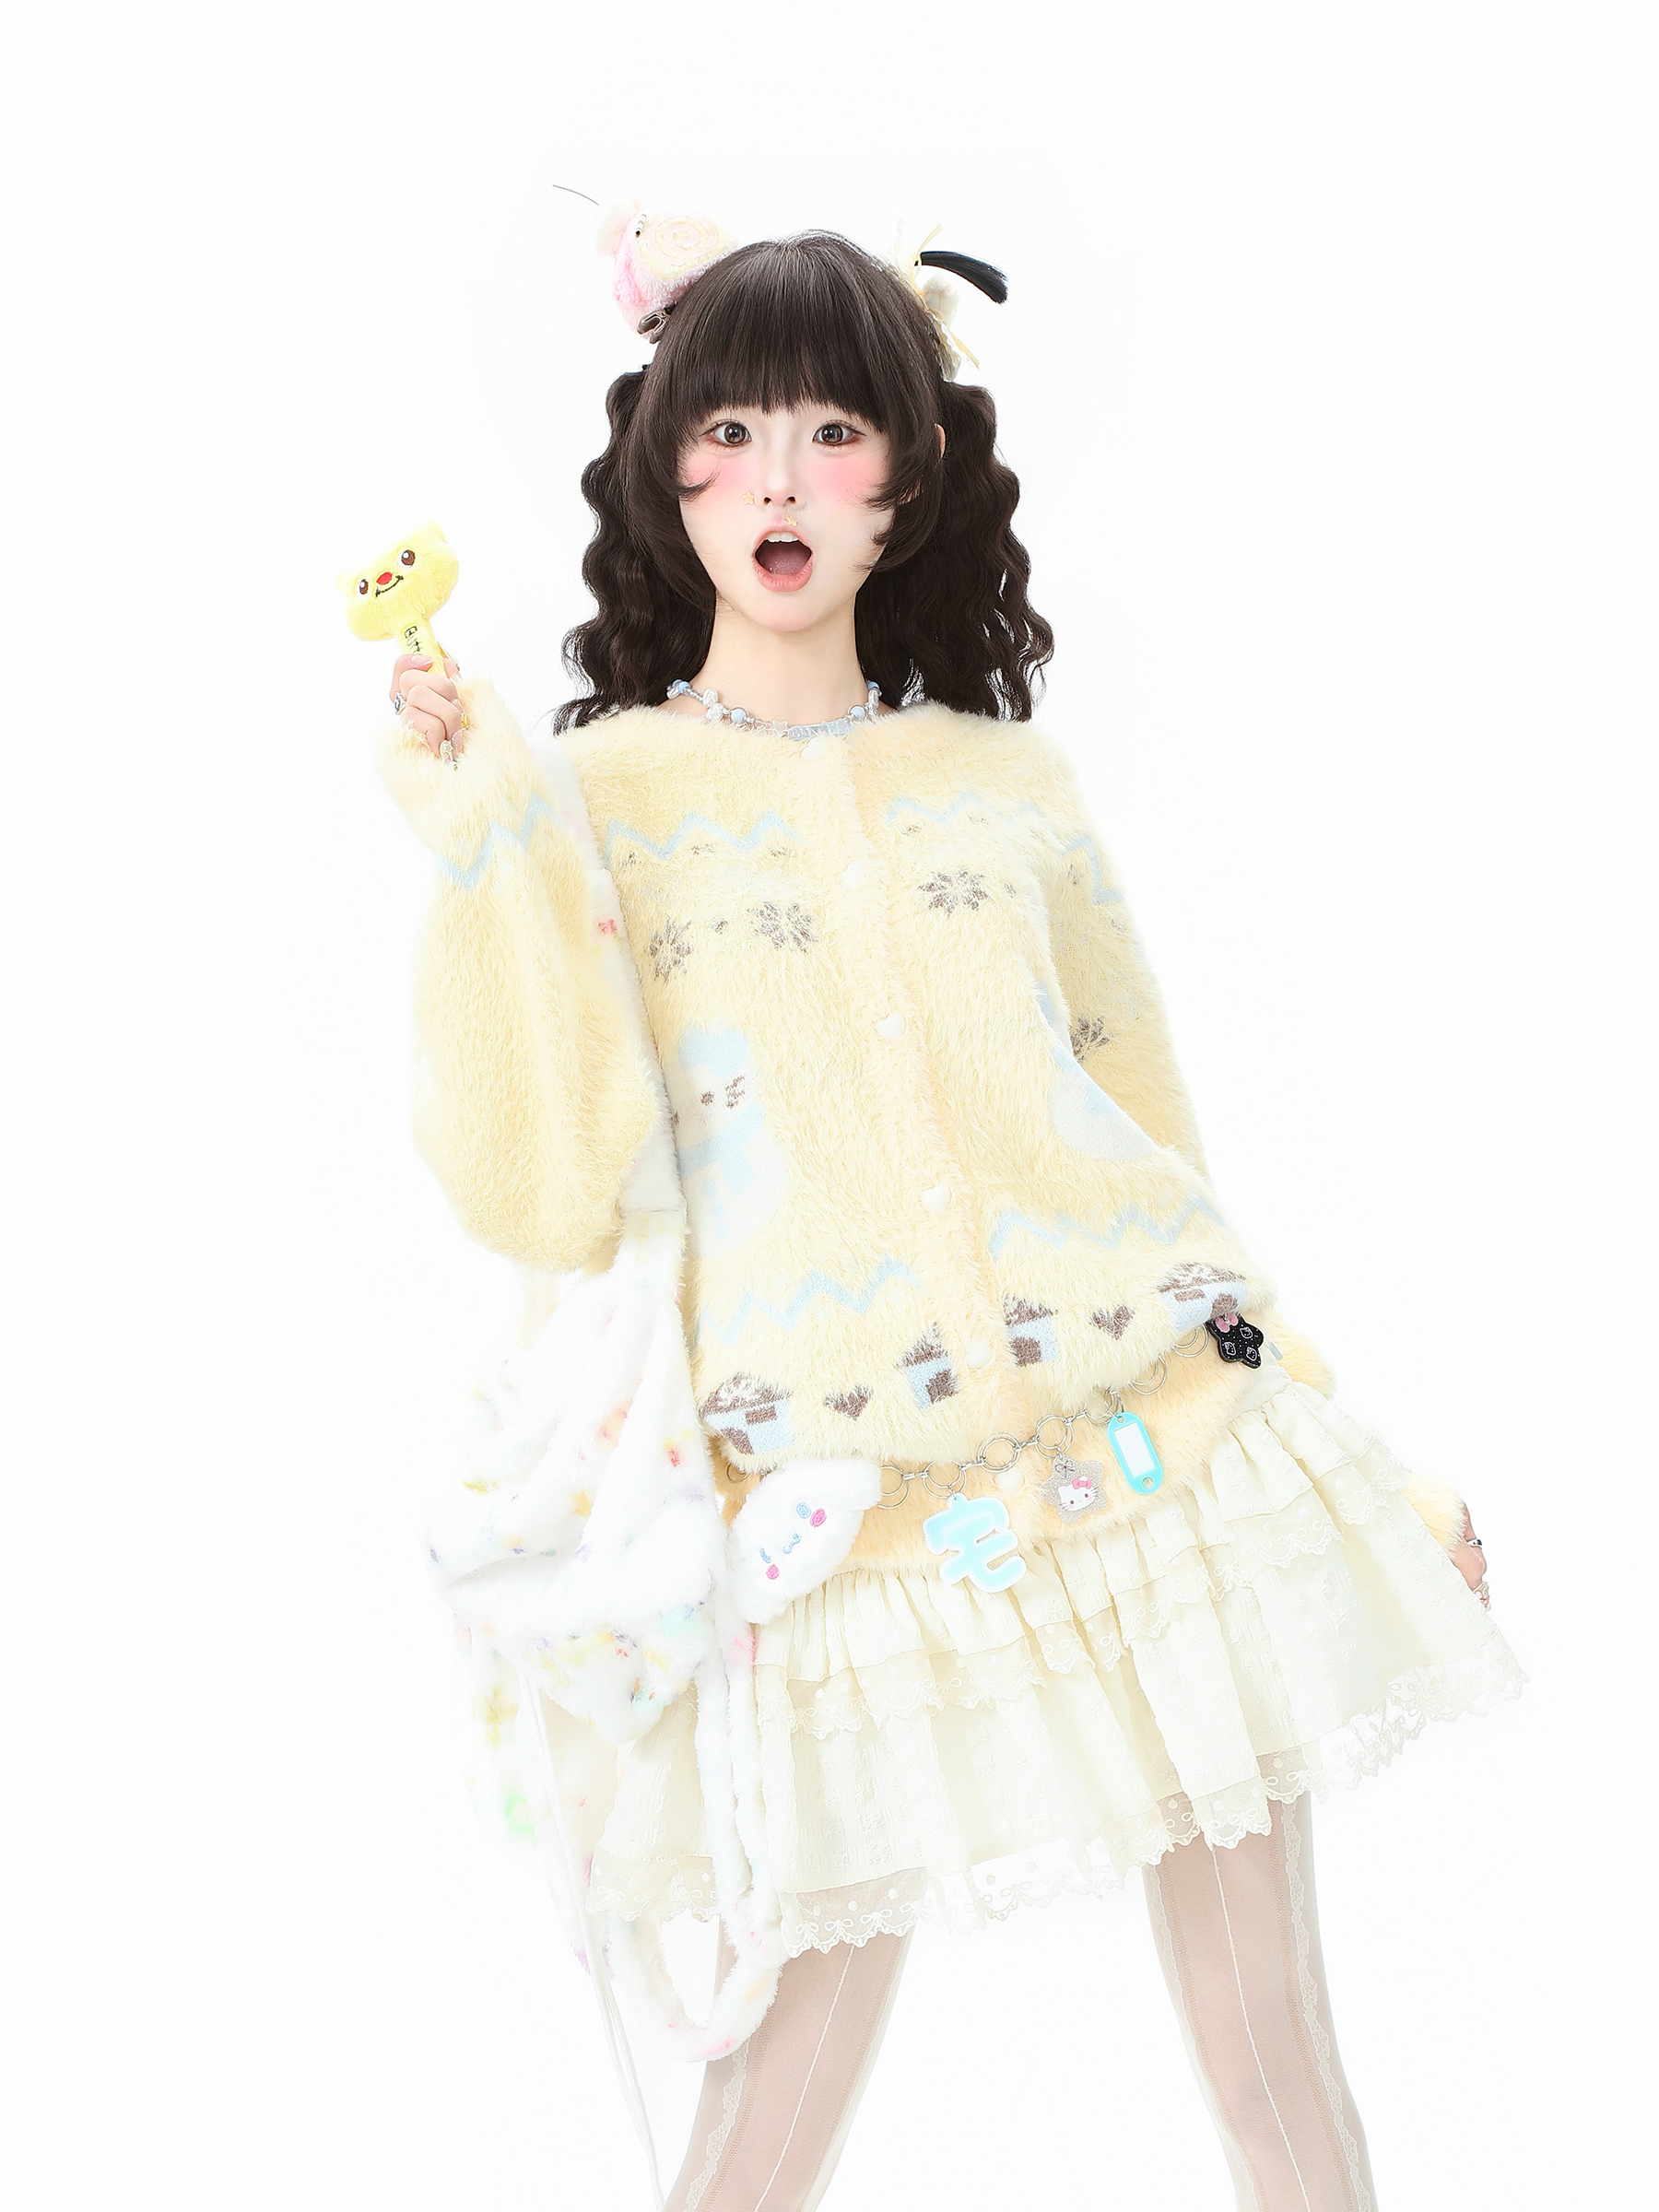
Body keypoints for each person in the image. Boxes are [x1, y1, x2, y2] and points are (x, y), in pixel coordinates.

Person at [376, 228, 1521, 2212]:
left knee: (1278, 2063)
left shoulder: (1009, 782)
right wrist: (480, 845)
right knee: (762, 2137)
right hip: (845, 1517)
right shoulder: (597, 803)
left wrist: (1341, 1433)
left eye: (835, 431)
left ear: (907, 477)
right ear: (666, 475)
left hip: (1161, 1461)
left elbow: (1152, 1139)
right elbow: (540, 1187)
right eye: (732, 431)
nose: (783, 479)